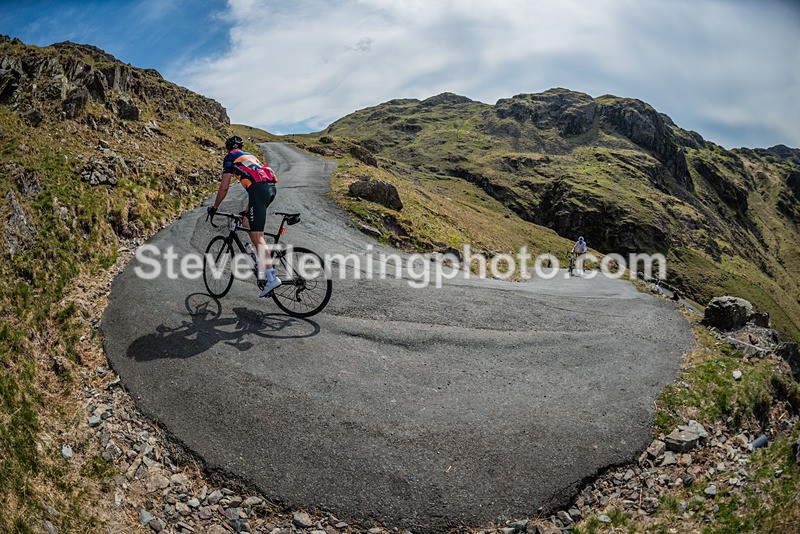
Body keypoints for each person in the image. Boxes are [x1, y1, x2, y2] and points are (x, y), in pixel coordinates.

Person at [207, 136, 280, 297]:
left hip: (259, 191)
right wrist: (247, 209)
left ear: (228, 149)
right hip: (269, 189)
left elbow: (224, 187)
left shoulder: (230, 157)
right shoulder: (250, 156)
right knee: (247, 220)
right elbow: (256, 182)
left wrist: (215, 207)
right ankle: (256, 256)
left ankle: (271, 277)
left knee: (257, 235)